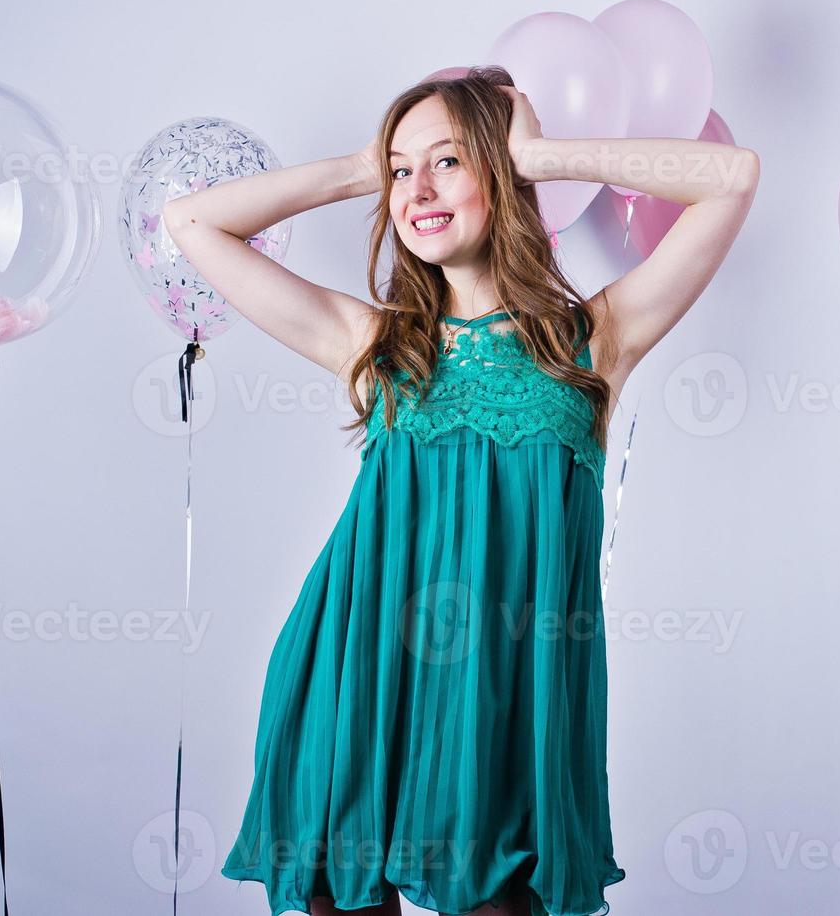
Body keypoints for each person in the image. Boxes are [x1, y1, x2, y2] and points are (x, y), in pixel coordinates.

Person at [163, 65, 760, 916]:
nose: (417, 189)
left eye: (447, 161)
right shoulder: (372, 343)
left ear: (499, 170)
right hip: (354, 677)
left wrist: (543, 155)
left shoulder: (594, 339)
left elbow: (732, 178)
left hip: (507, 709)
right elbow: (191, 221)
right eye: (401, 172)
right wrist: (364, 164)